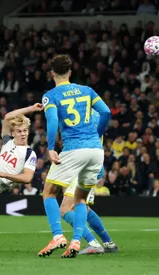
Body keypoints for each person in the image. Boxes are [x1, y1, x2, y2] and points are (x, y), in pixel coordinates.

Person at [38, 54, 111, 258]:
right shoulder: (87, 91)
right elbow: (105, 112)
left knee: (49, 192)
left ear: (52, 73)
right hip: (96, 151)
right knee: (80, 199)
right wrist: (96, 136)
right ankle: (78, 241)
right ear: (70, 72)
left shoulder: (51, 95)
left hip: (73, 148)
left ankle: (58, 236)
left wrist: (51, 147)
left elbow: (52, 121)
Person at [59, 110, 118, 255]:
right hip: (94, 164)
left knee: (65, 209)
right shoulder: (95, 113)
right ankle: (108, 242)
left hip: (83, 166)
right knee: (82, 207)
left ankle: (93, 243)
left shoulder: (81, 114)